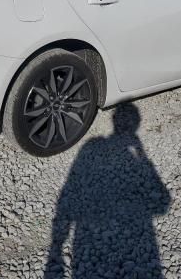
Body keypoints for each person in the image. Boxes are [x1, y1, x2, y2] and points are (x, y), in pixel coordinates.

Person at [44, 104, 171, 278]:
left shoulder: (91, 147)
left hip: (84, 240)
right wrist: (141, 156)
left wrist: (57, 244)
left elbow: (70, 190)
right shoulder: (130, 154)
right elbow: (162, 204)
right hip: (132, 241)